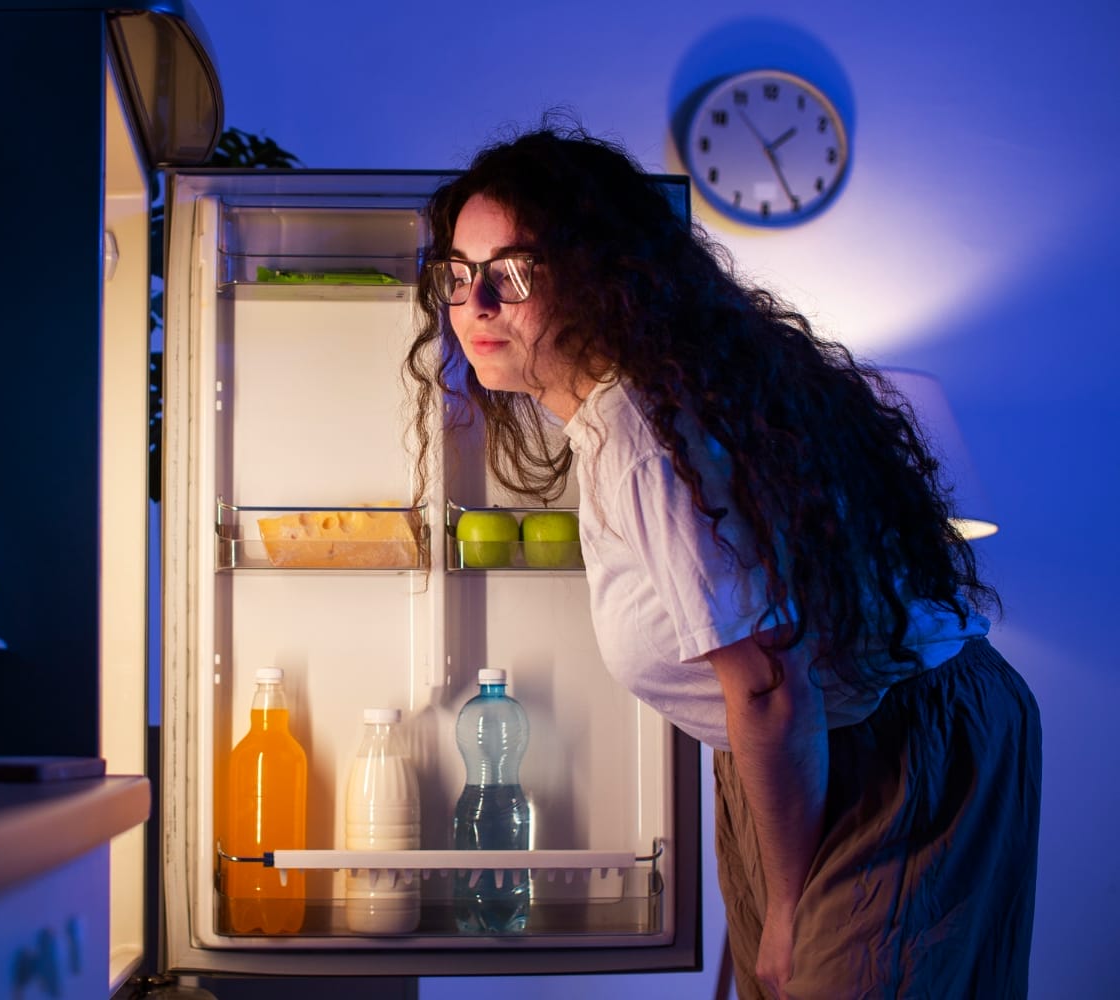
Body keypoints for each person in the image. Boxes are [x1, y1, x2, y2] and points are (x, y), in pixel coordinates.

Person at [402, 120, 1042, 999]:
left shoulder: (638, 430)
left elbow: (771, 687)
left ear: (598, 278)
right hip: (817, 747)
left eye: (512, 273)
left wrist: (783, 912)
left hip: (892, 740)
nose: (475, 304)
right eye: (461, 274)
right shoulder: (617, 415)